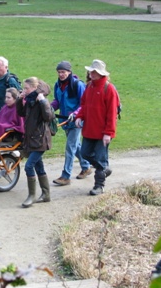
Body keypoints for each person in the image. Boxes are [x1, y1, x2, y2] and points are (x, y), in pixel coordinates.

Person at [75, 60, 120, 196]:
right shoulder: (89, 87)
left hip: (102, 133)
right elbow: (84, 105)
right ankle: (104, 169)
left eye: (95, 71)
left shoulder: (109, 89)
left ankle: (99, 185)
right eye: (91, 71)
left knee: (100, 158)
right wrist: (79, 116)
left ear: (101, 73)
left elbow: (112, 113)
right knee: (85, 153)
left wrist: (108, 133)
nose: (92, 73)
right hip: (89, 130)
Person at [51, 61, 92, 186]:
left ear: (69, 72)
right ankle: (86, 167)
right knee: (76, 146)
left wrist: (75, 114)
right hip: (65, 121)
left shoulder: (78, 85)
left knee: (70, 147)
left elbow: (84, 103)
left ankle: (65, 176)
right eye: (59, 72)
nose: (61, 74)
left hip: (76, 121)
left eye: (63, 72)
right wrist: (50, 108)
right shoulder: (57, 85)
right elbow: (57, 101)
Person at [16, 77, 54, 208]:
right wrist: (20, 99)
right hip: (31, 138)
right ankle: (46, 194)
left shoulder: (41, 99)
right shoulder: (30, 100)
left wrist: (43, 102)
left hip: (40, 139)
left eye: (26, 88)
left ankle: (31, 196)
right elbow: (21, 113)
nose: (24, 90)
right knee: (39, 167)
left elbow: (48, 116)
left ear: (34, 88)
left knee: (28, 166)